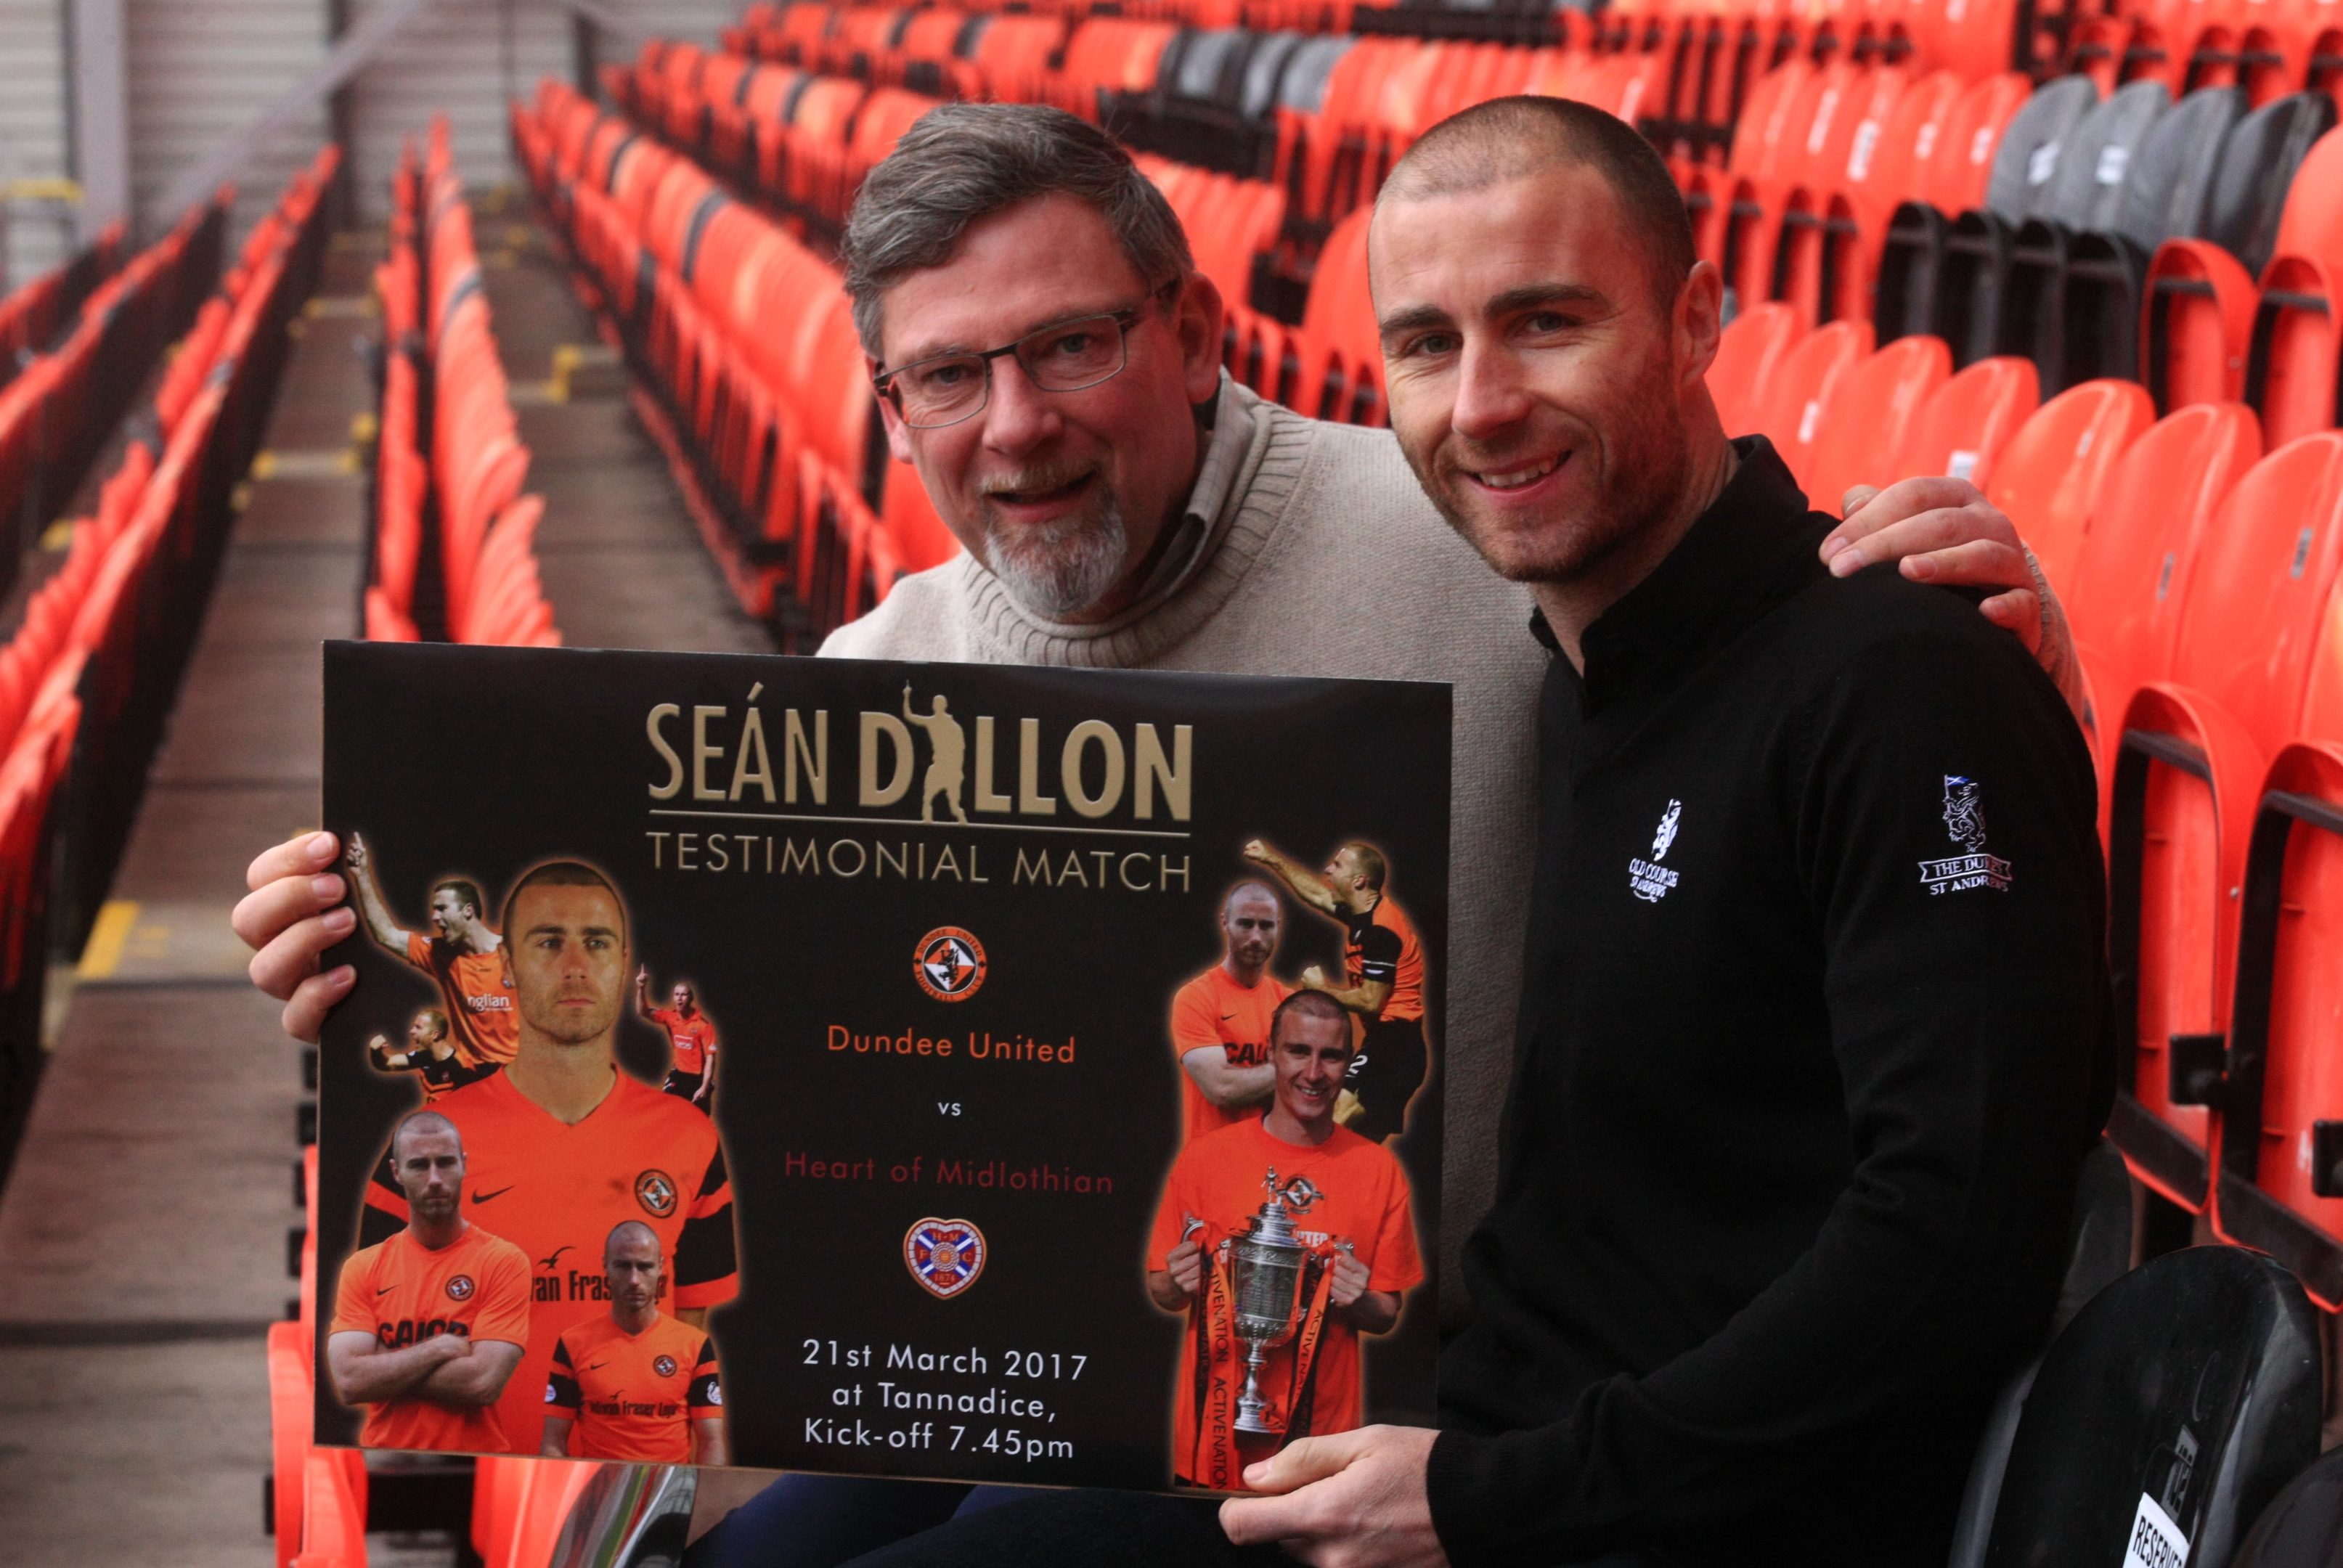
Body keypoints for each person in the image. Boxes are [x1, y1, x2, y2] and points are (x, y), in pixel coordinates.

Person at [232, 102, 2089, 1566]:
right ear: (886, 410)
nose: (1014, 425)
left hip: (1453, 1417)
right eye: (946, 377)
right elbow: (670, 1083)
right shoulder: (863, 688)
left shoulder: (1474, 524)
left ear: (1198, 334)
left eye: (1070, 348)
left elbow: (1747, 624)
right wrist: (373, 973)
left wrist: (1999, 654)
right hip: (1100, 1395)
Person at [356, 861, 739, 1456]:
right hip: (471, 1491)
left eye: (597, 942)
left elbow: (687, 1332)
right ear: (506, 967)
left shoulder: (687, 1136)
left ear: (622, 964)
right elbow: (370, 1339)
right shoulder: (429, 1143)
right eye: (548, 942)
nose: (575, 966)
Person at [1148, 991, 1422, 1490]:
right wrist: (1176, 1281)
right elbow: (1161, 1289)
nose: (1313, 1073)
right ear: (1271, 1053)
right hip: (1210, 1447)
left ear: (1348, 1063)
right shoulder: (1203, 1160)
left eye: (1331, 1056)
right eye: (1298, 1051)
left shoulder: (1379, 1171)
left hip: (1320, 1458)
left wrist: (1359, 1297)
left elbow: (1386, 1314)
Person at [325, 1111, 530, 1454]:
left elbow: (482, 1382)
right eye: (420, 1166)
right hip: (387, 1458)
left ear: (464, 1166)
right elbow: (349, 1381)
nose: (435, 1179)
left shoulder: (504, 1262)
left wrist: (384, 1366)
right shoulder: (363, 1267)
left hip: (477, 1461)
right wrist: (440, 1349)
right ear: (397, 1173)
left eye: (446, 1163)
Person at [1242, 839, 1427, 1142]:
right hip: (1392, 1045)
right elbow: (1317, 895)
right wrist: (1271, 859)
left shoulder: (1382, 931)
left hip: (1396, 1046)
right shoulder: (1363, 915)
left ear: (1359, 881)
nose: (1328, 870)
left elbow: (1371, 1001)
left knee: (1337, 1114)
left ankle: (1308, 1180)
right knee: (1360, 1147)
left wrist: (1321, 991)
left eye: (1338, 866)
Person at [543, 1220, 730, 1464]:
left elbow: (712, 1441)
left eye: (645, 1267)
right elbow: (553, 1442)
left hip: (669, 1490)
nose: (634, 1279)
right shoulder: (573, 1343)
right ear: (605, 1266)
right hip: (598, 1487)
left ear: (661, 1268)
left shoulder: (694, 1345)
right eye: (623, 1266)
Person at [343, 833, 518, 1069]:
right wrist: (362, 876)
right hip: (475, 1079)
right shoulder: (441, 954)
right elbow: (385, 934)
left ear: (468, 910)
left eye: (442, 908)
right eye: (434, 910)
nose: (435, 917)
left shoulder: (518, 954)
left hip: (521, 1079)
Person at [1168, 881, 1289, 1144]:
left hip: (1273, 1163)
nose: (1256, 937)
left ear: (1278, 926)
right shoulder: (1196, 997)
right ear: (1225, 922)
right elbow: (1221, 1088)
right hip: (1213, 1163)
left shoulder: (1290, 1003)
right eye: (1246, 924)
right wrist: (1293, 1069)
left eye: (1266, 926)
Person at [368, 1008, 497, 1101]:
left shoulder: (462, 1067)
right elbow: (387, 1064)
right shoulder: (424, 1057)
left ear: (434, 1034)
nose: (411, 1031)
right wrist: (376, 1052)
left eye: (418, 1027)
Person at [637, 968, 720, 1108]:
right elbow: (642, 1012)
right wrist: (641, 987)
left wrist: (704, 1086)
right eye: (676, 995)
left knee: (698, 1120)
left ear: (691, 998)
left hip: (699, 1078)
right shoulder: (670, 1017)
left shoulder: (703, 1025)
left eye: (684, 995)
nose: (680, 998)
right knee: (667, 1109)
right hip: (680, 1075)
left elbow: (711, 1060)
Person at [901, 684, 971, 825]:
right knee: (930, 799)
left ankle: (957, 818)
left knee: (948, 805)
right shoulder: (942, 724)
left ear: (940, 706)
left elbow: (960, 751)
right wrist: (906, 696)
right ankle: (929, 820)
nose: (935, 705)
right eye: (935, 703)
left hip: (947, 769)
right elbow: (909, 716)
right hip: (943, 768)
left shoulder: (947, 725)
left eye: (937, 703)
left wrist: (907, 696)